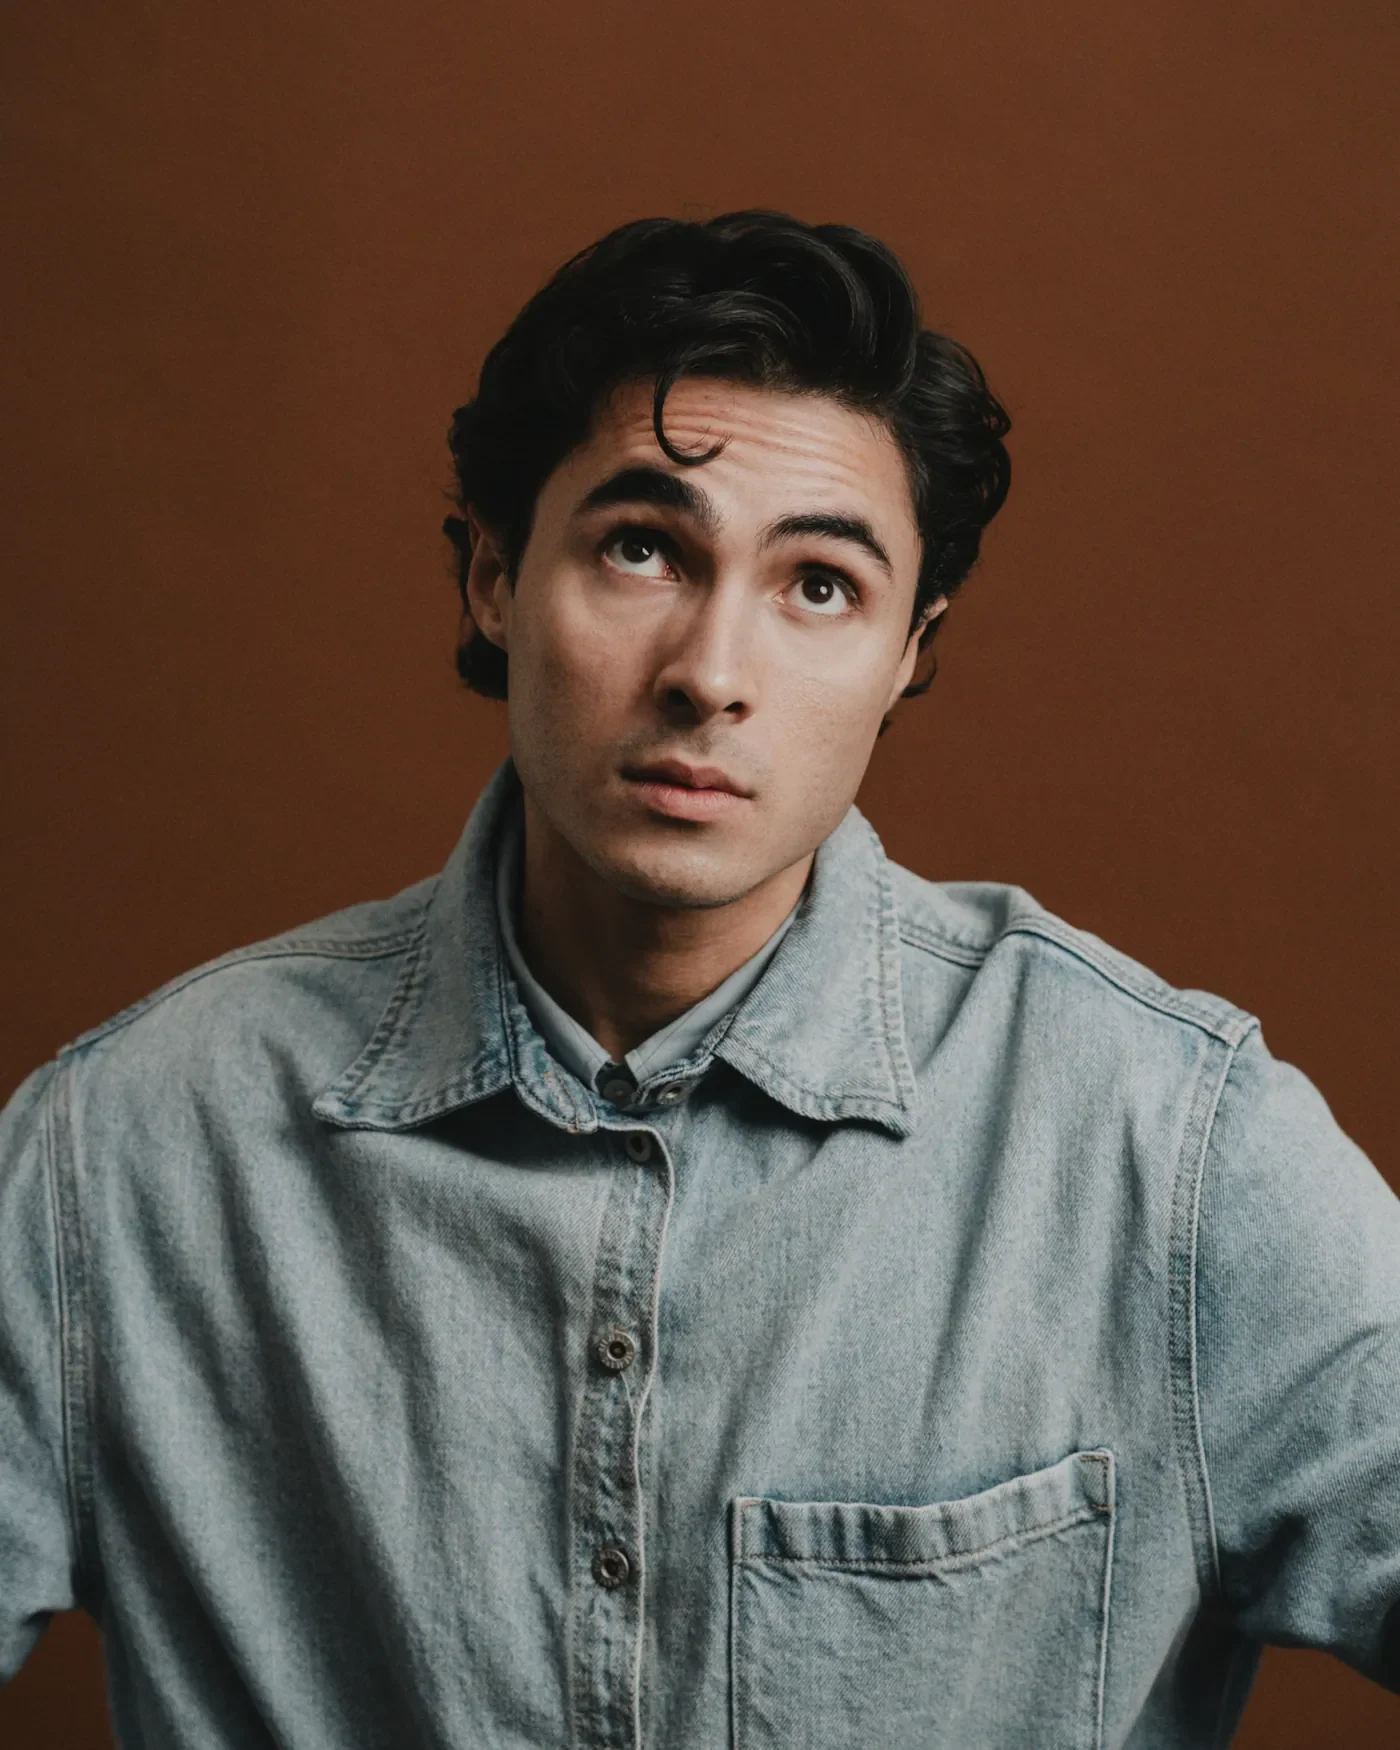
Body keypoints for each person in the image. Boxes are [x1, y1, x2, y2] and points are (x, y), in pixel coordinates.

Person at [1, 210, 1396, 1750]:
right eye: (641, 546)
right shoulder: (121, 1150)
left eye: (820, 587)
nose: (710, 670)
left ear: (908, 652)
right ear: (490, 576)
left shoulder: (1169, 1146)